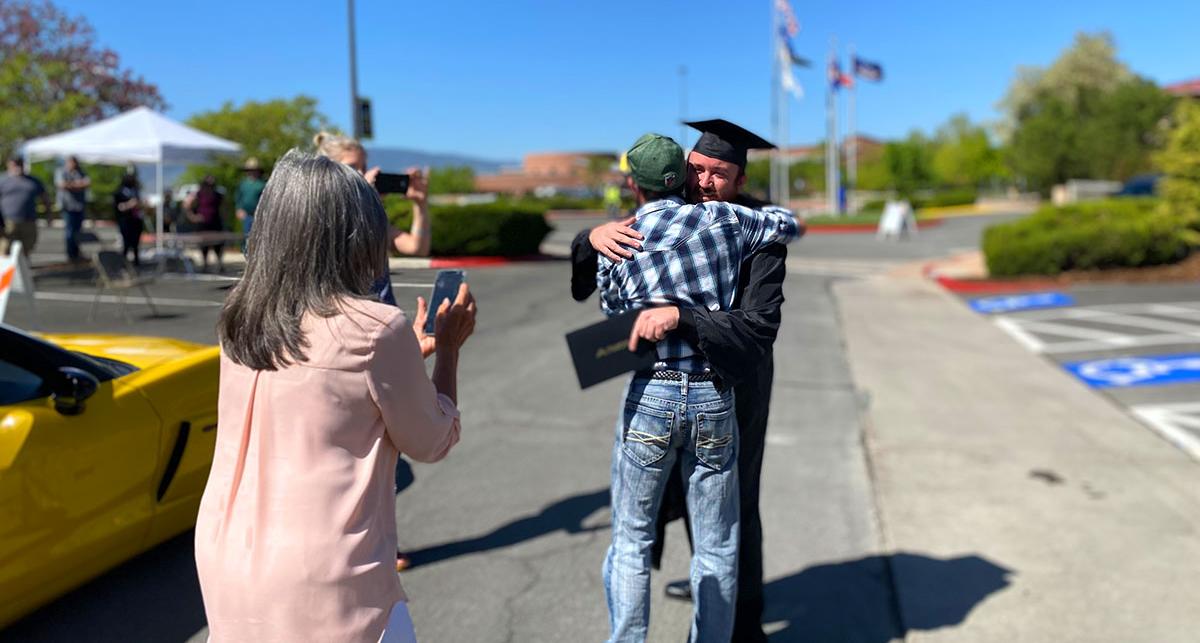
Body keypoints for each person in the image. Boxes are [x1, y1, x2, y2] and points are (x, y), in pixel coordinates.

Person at [195, 150, 477, 642]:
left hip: (226, 552)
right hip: (327, 574)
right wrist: (448, 350)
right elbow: (432, 439)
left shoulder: (239, 317)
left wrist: (405, 355)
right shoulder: (375, 327)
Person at [573, 119, 794, 642]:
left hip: (737, 381)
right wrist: (591, 237)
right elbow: (593, 286)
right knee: (687, 503)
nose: (704, 180)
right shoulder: (671, 215)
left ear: (741, 181)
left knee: (735, 504)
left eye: (719, 173)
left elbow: (759, 327)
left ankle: (744, 620)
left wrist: (682, 316)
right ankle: (709, 589)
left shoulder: (751, 231)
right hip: (668, 384)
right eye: (697, 168)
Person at [315, 131, 435, 571]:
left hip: (384, 340)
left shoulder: (375, 213)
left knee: (387, 445)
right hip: (346, 343)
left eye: (366, 166)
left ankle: (382, 543)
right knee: (352, 450)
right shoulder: (325, 218)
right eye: (353, 168)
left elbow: (415, 247)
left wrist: (420, 204)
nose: (368, 175)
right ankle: (354, 546)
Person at [0, 156, 50, 258]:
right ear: (8, 165)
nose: (17, 167)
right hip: (8, 221)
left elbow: (44, 197)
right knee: (5, 248)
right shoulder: (2, 180)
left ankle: (22, 271)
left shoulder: (33, 181)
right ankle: (5, 273)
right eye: (14, 164)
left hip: (29, 221)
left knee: (26, 249)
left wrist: (48, 214)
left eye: (19, 164)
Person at [186, 175, 225, 272]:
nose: (210, 186)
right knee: (204, 244)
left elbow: (224, 207)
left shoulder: (217, 195)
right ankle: (205, 264)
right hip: (203, 223)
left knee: (218, 244)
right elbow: (187, 205)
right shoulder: (199, 194)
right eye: (208, 184)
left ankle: (219, 263)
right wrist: (193, 217)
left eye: (212, 184)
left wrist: (224, 218)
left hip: (215, 222)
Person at [55, 156, 90, 262]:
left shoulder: (81, 172)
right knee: (69, 231)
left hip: (79, 206)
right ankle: (71, 255)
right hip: (67, 207)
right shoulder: (61, 171)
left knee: (78, 231)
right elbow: (61, 185)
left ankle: (77, 252)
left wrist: (72, 185)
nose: (73, 165)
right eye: (71, 163)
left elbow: (87, 183)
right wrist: (78, 184)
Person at [234, 157, 266, 254]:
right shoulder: (243, 184)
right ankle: (247, 255)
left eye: (254, 170)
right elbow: (238, 198)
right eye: (249, 170)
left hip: (259, 215)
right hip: (246, 215)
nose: (252, 172)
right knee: (247, 236)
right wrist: (238, 209)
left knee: (259, 236)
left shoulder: (262, 184)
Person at [113, 171, 145, 267]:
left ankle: (136, 261)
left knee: (135, 242)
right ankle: (123, 261)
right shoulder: (119, 192)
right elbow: (118, 207)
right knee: (126, 241)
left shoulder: (135, 191)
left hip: (136, 220)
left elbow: (139, 203)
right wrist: (129, 204)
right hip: (125, 220)